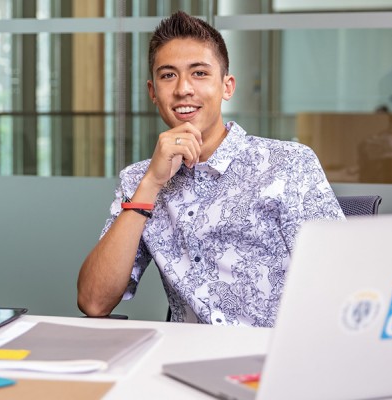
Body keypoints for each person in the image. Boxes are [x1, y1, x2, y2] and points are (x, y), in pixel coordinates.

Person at [77, 11, 344, 327]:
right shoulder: (138, 180)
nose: (183, 89)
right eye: (168, 75)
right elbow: (94, 302)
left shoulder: (288, 164)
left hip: (271, 358)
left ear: (227, 86)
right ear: (153, 92)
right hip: (182, 361)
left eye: (200, 73)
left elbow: (341, 282)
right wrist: (151, 185)